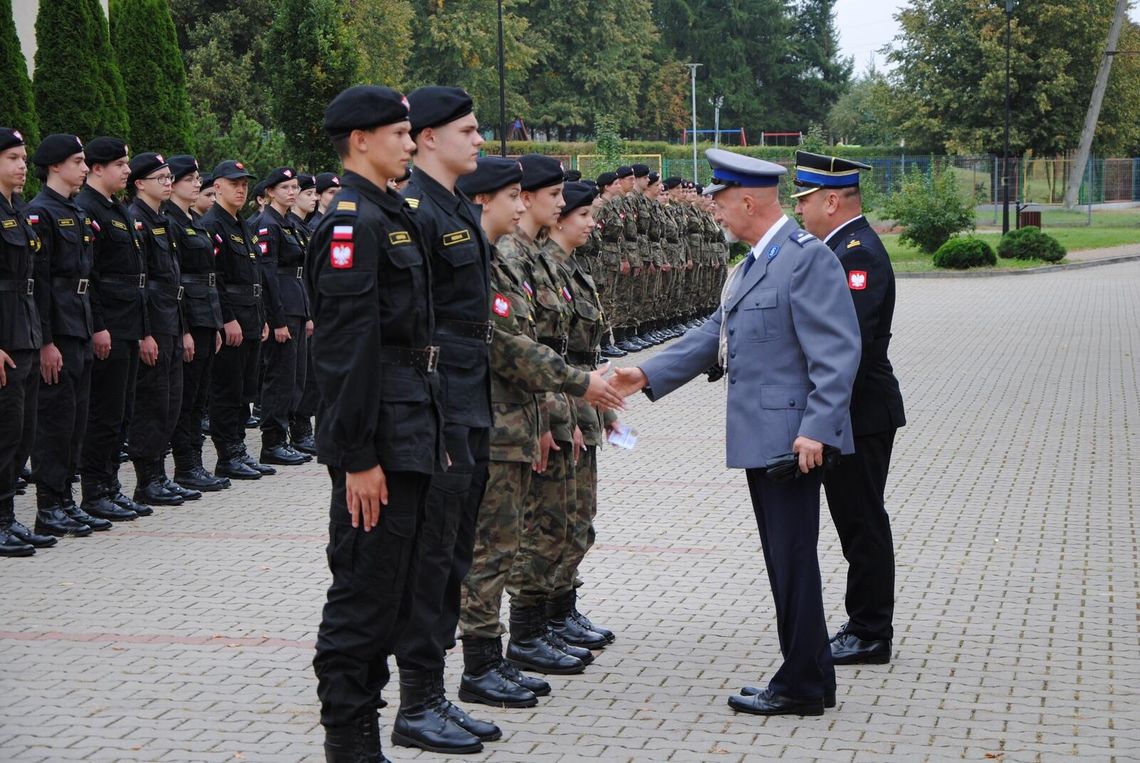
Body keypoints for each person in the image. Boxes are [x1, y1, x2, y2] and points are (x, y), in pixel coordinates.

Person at [611, 148, 862, 716]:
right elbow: (713, 334)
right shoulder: (755, 263)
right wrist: (645, 372)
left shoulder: (805, 260)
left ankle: (799, 685)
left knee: (793, 561)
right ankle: (813, 675)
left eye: (721, 202)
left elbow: (838, 353)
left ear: (748, 200)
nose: (715, 213)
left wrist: (816, 431)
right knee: (785, 560)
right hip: (763, 436)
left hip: (792, 441)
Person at [308, 84, 447, 763]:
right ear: (359, 140)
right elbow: (346, 349)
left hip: (409, 423)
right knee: (363, 592)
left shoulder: (390, 212)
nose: (410, 142)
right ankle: (350, 741)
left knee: (393, 588)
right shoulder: (348, 222)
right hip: (379, 438)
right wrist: (358, 455)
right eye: (398, 133)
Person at [455, 158, 623, 710]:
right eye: (524, 195)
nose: (531, 205)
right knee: (499, 547)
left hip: (529, 413)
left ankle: (521, 638)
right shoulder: (497, 258)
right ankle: (489, 658)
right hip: (504, 420)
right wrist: (572, 398)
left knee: (536, 532)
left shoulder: (512, 260)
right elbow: (510, 349)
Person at [388, 85, 500, 755]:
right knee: (429, 557)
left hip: (470, 401)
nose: (479, 138)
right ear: (428, 136)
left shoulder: (457, 204)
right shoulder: (415, 211)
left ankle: (437, 693)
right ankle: (416, 701)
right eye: (468, 128)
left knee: (455, 553)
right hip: (438, 406)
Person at [791, 150, 906, 665]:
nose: (800, 210)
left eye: (806, 199)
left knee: (862, 522)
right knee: (856, 519)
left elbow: (846, 342)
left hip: (862, 411)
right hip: (854, 410)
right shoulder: (838, 247)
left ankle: (870, 631)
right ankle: (865, 624)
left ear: (832, 201)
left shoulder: (854, 253)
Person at [497, 155, 595, 677]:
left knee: (567, 521)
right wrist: (550, 416)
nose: (564, 205)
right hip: (534, 408)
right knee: (537, 528)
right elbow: (522, 347)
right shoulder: (512, 254)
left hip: (556, 402)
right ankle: (529, 632)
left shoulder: (535, 257)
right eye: (554, 195)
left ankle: (552, 618)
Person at [542, 181, 621, 649]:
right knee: (554, 521)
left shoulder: (571, 268)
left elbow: (583, 352)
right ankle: (541, 621)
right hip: (560, 406)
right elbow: (546, 353)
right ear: (559, 218)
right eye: (585, 214)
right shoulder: (544, 269)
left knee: (578, 518)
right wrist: (559, 416)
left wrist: (604, 410)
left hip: (580, 403)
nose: (593, 223)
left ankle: (562, 606)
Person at [75, 137, 151, 521]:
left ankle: (111, 486)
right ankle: (94, 491)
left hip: (130, 323)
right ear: (96, 168)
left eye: (126, 163)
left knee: (121, 412)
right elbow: (93, 276)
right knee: (103, 414)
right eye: (119, 164)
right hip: (110, 326)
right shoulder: (87, 209)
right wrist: (100, 326)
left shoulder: (116, 208)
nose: (126, 170)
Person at [126, 152, 199, 507]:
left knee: (170, 403)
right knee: (152, 404)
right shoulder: (135, 219)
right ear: (140, 184)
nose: (169, 182)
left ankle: (160, 475)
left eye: (170, 177)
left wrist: (184, 329)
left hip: (171, 319)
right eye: (162, 178)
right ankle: (146, 480)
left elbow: (174, 282)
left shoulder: (164, 221)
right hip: (153, 323)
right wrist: (145, 333)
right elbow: (141, 284)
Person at [0, 127, 56, 555]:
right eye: (13, 157)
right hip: (5, 334)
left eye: (23, 157)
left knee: (22, 432)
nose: (22, 165)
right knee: (4, 432)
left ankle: (7, 518)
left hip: (26, 329)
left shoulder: (16, 209)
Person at [201, 160, 272, 480]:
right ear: (217, 187)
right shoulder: (212, 224)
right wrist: (227, 319)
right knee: (227, 390)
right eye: (234, 184)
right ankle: (226, 454)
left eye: (244, 184)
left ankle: (239, 449)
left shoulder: (240, 224)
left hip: (252, 315)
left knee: (245, 390)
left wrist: (262, 318)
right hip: (233, 319)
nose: (241, 189)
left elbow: (254, 273)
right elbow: (214, 278)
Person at [164, 155, 229, 492]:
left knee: (198, 397)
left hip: (206, 316)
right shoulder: (170, 222)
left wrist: (216, 324)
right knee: (186, 398)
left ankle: (195, 465)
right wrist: (186, 328)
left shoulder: (193, 221)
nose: (196, 183)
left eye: (197, 178)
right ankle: (185, 465)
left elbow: (208, 277)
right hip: (188, 316)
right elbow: (176, 281)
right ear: (172, 183)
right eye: (188, 178)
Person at [252, 167, 311, 467]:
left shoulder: (289, 224)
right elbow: (268, 276)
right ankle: (272, 442)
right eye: (285, 187)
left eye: (294, 187)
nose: (292, 191)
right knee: (280, 377)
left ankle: (286, 436)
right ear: (270, 192)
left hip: (296, 302)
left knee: (295, 377)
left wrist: (307, 313)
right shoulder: (267, 224)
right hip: (282, 307)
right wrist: (277, 320)